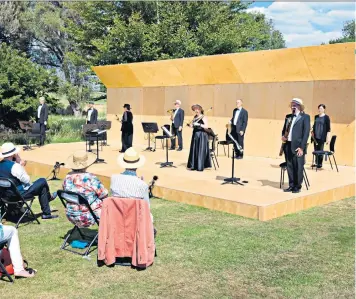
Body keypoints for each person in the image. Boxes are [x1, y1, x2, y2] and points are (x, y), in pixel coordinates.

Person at [0, 143, 58, 219]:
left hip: (5, 196)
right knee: (42, 181)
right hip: (19, 195)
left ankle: (47, 209)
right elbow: (27, 180)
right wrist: (21, 165)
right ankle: (47, 204)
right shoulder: (15, 166)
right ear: (13, 155)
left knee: (42, 187)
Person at [63, 150, 108, 227]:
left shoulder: (67, 178)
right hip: (88, 216)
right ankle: (106, 233)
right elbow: (103, 194)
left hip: (72, 215)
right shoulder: (91, 178)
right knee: (108, 204)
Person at [281, 98, 310, 193]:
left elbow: (306, 134)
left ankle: (297, 186)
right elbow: (284, 129)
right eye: (292, 105)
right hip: (288, 145)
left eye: (295, 105)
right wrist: (283, 136)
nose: (293, 106)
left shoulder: (305, 117)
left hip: (298, 147)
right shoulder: (288, 116)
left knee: (298, 167)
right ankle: (291, 185)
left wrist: (302, 147)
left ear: (300, 107)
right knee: (290, 166)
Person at [187, 104, 212, 172]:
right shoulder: (195, 117)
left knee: (200, 150)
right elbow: (193, 125)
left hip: (201, 135)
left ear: (200, 110)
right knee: (195, 149)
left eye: (197, 109)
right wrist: (190, 125)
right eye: (195, 110)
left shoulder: (203, 117)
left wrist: (199, 124)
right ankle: (193, 165)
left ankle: (200, 166)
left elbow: (206, 126)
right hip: (195, 134)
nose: (196, 111)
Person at [311, 104, 331, 169]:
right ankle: (316, 162)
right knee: (315, 150)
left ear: (324, 109)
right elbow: (314, 125)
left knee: (320, 150)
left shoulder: (326, 117)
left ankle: (319, 164)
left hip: (322, 136)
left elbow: (328, 128)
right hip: (315, 136)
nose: (320, 109)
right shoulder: (316, 116)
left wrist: (328, 137)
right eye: (319, 108)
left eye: (322, 108)